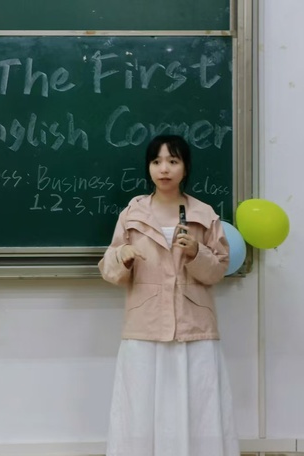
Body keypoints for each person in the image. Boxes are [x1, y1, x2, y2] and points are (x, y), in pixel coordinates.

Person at [99, 135, 239, 456]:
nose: (164, 169)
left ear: (185, 168)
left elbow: (218, 269)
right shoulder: (133, 214)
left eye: (173, 161)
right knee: (139, 408)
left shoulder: (203, 214)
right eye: (157, 161)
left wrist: (197, 252)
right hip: (144, 326)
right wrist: (123, 257)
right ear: (148, 167)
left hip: (194, 327)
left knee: (199, 405)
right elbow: (109, 268)